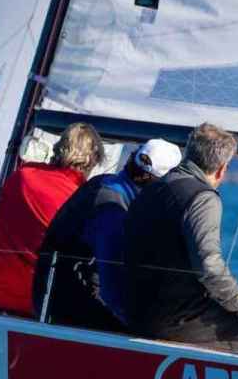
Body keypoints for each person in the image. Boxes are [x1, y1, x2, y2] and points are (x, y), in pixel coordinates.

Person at [124, 123, 238, 357]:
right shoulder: (202, 199)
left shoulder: (153, 189)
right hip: (175, 321)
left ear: (188, 154)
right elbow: (209, 266)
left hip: (136, 311)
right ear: (221, 170)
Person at [32, 138, 182, 332]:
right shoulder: (112, 209)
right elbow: (111, 288)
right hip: (67, 311)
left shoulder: (104, 182)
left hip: (52, 299)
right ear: (157, 185)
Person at [0, 122, 105, 317]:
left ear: (59, 148)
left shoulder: (20, 176)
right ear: (92, 160)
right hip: (42, 303)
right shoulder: (80, 199)